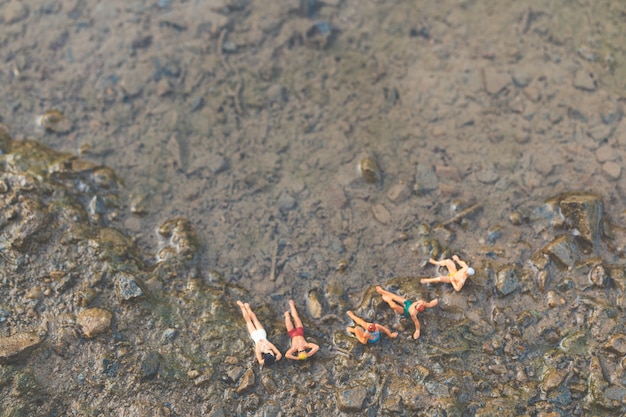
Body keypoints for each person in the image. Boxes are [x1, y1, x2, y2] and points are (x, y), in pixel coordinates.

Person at [237, 301, 282, 366]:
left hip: (261, 334)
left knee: (253, 320)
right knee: (249, 321)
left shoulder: (267, 346)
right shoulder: (259, 350)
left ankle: (246, 308)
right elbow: (260, 361)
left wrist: (275, 358)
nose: (273, 353)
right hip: (256, 335)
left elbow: (279, 354)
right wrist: (266, 361)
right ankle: (244, 308)